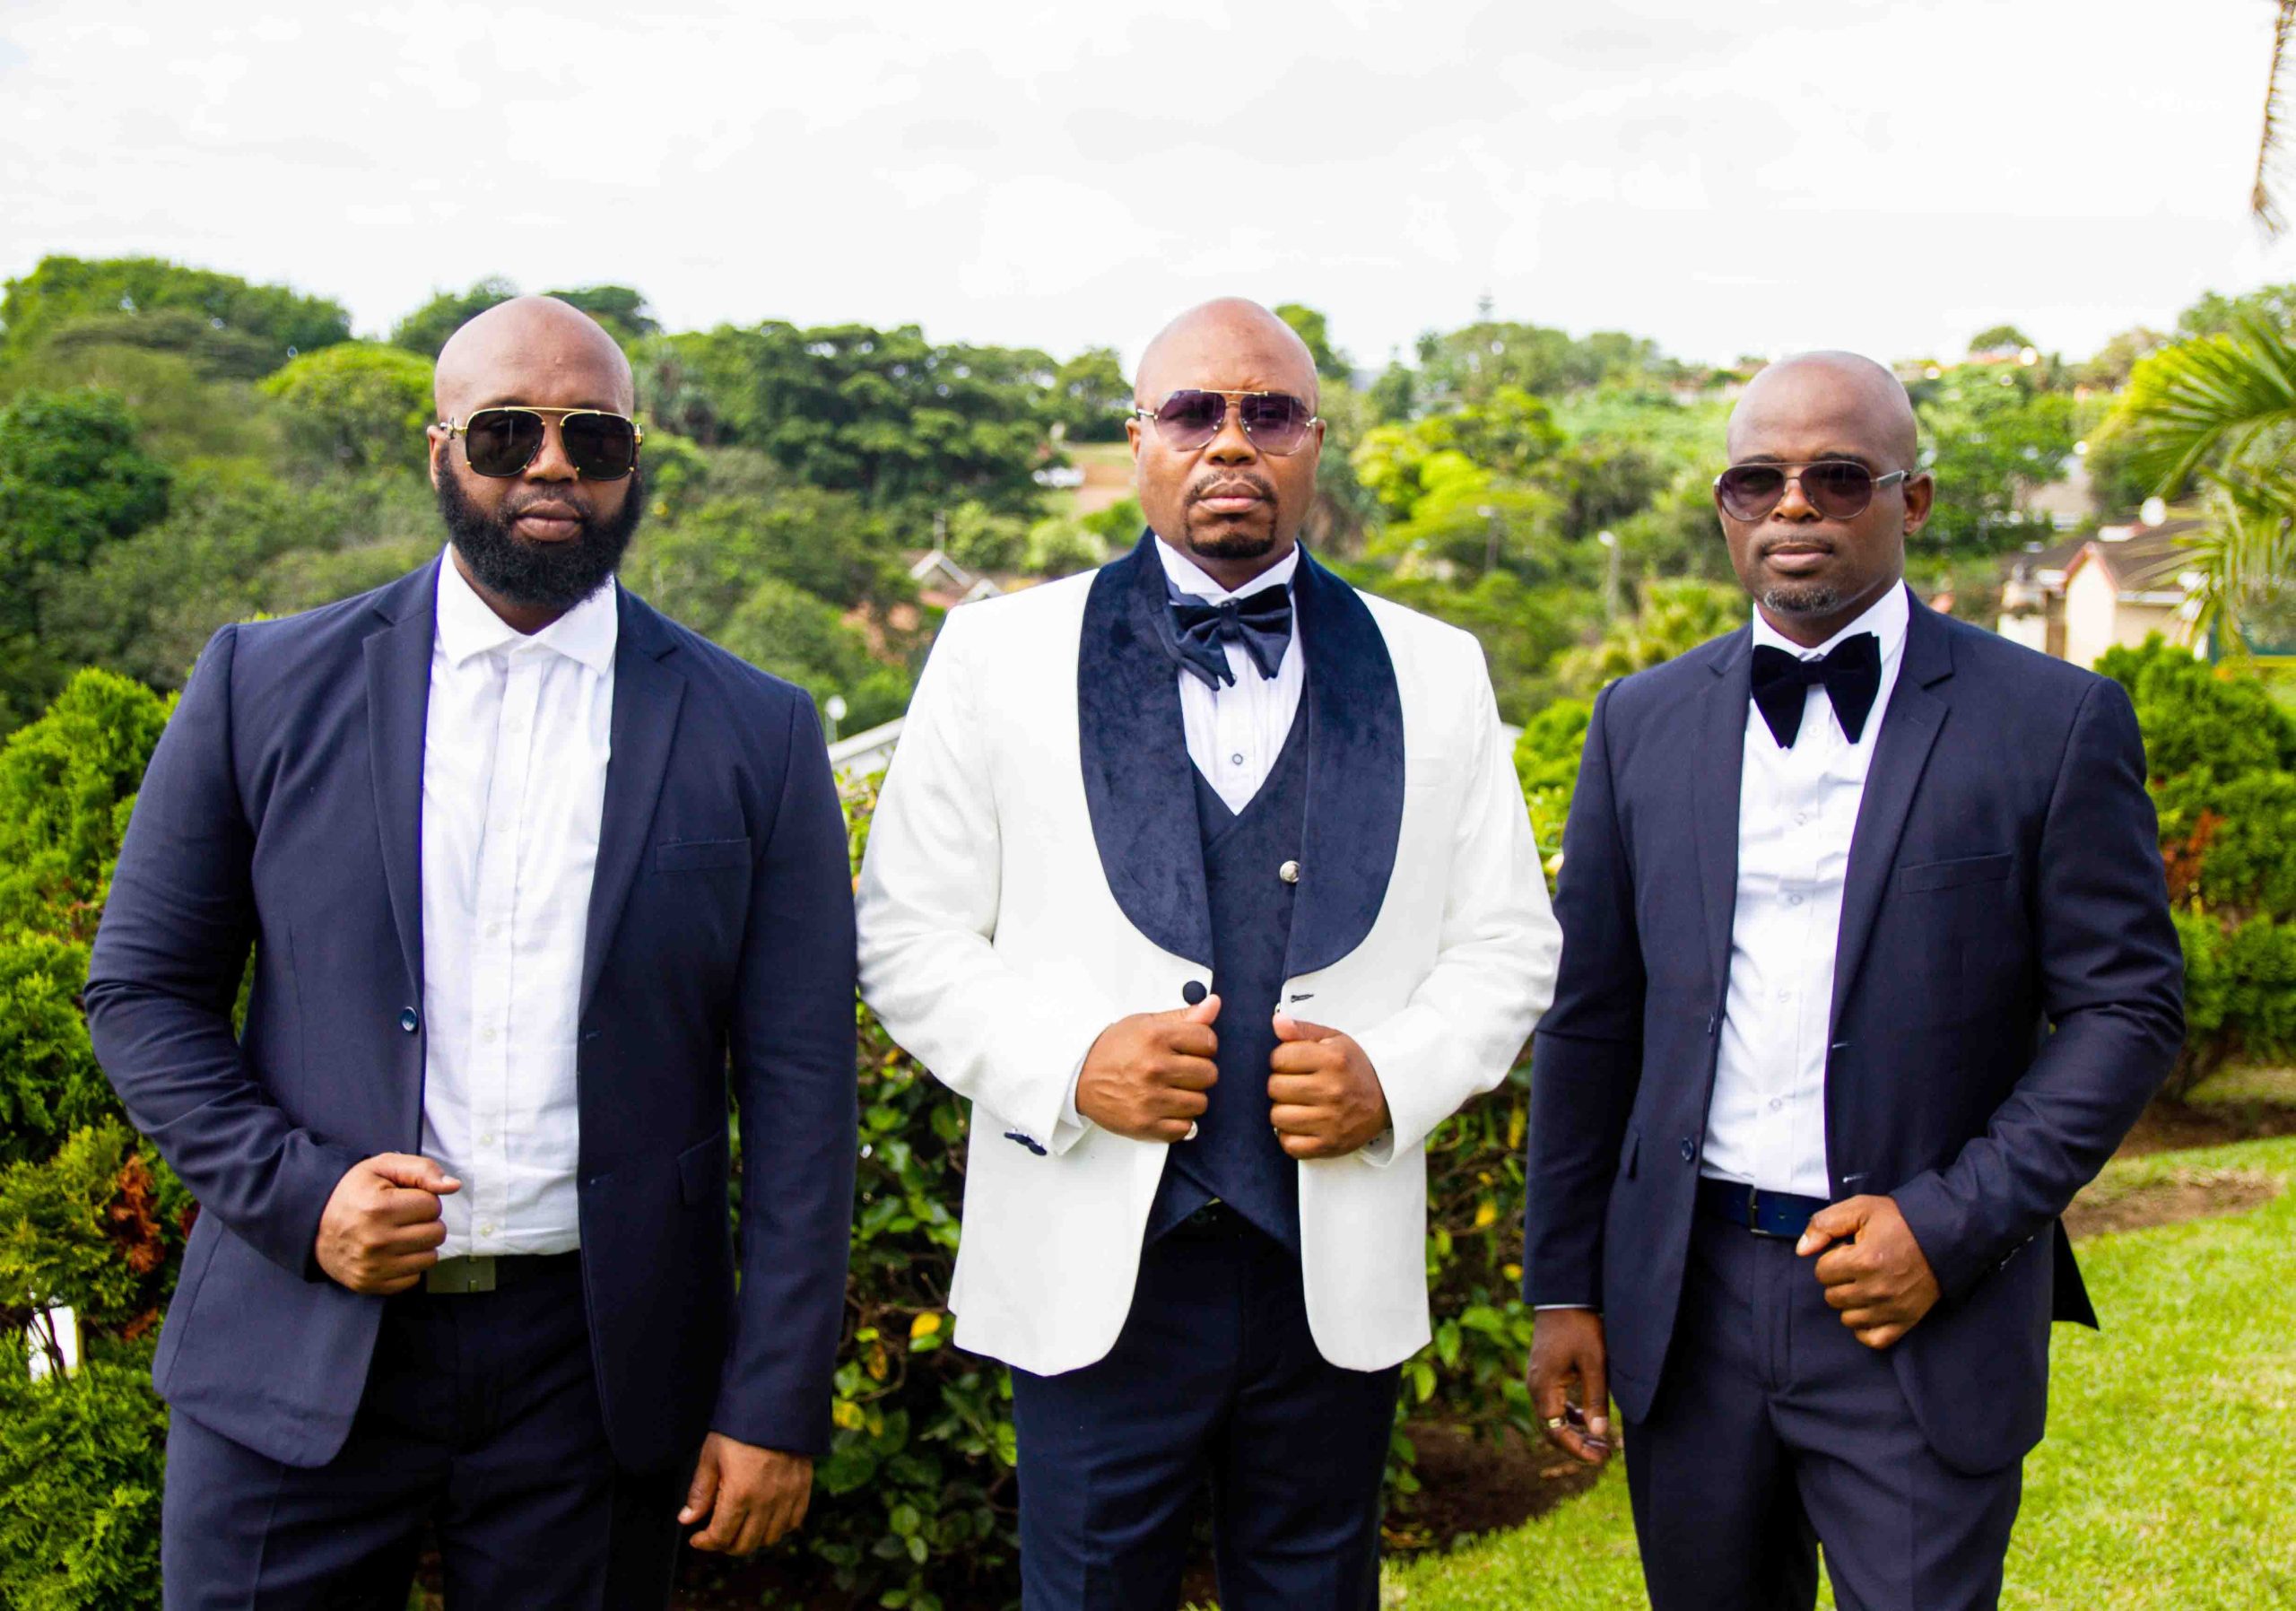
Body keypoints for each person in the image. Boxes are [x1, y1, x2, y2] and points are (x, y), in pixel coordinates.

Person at [85, 296, 858, 1608]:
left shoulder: (758, 730)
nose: (552, 465)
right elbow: (143, 991)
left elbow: (802, 1087)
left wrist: (774, 1398)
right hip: (294, 1339)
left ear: (634, 460)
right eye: (507, 432)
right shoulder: (260, 685)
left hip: (596, 1376)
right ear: (440, 448)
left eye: (593, 437)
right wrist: (301, 1198)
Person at [856, 297, 1559, 1610]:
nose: (1231, 442)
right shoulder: (995, 657)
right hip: (1090, 1249)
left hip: (1329, 1260)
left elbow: (1509, 943)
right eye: (1193, 411)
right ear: (1140, 440)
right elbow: (906, 931)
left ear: (1315, 442)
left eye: (1270, 413)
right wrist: (1073, 1066)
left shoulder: (1437, 669)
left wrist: (1393, 1079)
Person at [1522, 352, 2184, 1609]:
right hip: (1689, 1302)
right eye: (1755, 481)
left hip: (1918, 1308)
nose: (1792, 507)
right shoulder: (1638, 722)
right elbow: (1592, 1022)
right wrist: (1565, 1288)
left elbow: (2127, 1006)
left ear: (1911, 499)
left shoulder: (2052, 721)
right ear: (1724, 504)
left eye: (1836, 477)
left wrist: (1949, 1224)